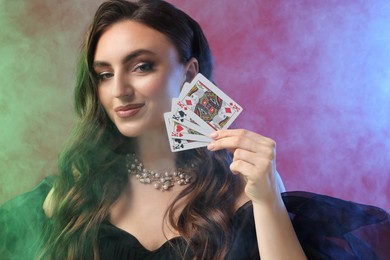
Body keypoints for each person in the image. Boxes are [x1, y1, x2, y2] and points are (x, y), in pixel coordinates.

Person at [1, 0, 389, 259]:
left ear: (189, 73)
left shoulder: (245, 188)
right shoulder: (70, 193)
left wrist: (269, 199)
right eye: (104, 74)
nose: (118, 90)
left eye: (141, 66)